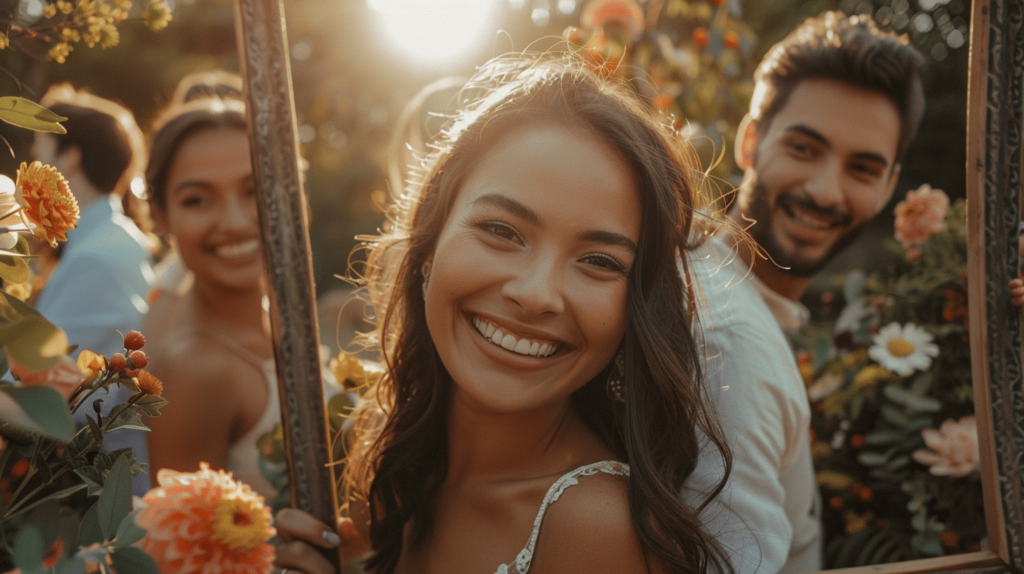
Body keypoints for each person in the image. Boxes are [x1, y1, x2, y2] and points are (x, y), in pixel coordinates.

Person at [272, 53, 735, 574]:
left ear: (637, 309)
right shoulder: (386, 449)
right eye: (501, 231)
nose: (536, 294)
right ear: (430, 240)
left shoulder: (596, 529)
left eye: (600, 261)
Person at [683, 10, 927, 573]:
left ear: (890, 185)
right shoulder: (729, 342)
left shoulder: (732, 295)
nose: (824, 190)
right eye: (803, 148)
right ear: (751, 140)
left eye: (862, 169)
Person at [140, 75, 281, 499]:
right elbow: (192, 556)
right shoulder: (193, 368)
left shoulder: (281, 321)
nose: (235, 221)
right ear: (161, 218)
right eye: (198, 199)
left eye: (254, 191)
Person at [30, 83, 154, 496]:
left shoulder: (99, 256)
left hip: (106, 499)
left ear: (71, 158)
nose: (30, 166)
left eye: (40, 153)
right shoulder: (105, 242)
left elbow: (37, 384)